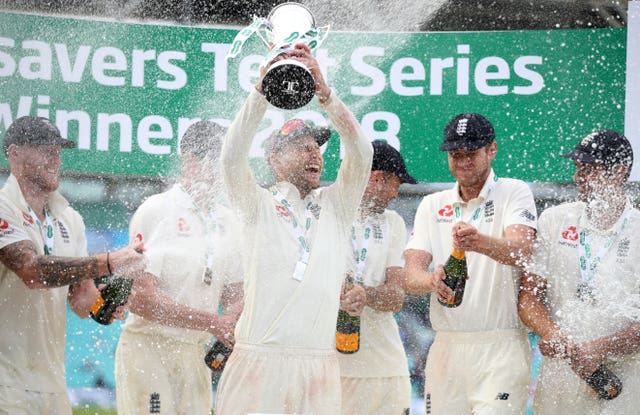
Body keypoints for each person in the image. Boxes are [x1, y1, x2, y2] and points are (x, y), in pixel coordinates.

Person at [214, 43, 373, 415]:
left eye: (317, 147)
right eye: (302, 147)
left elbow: (361, 152)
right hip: (259, 359)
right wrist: (261, 92)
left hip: (319, 363)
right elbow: (231, 156)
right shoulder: (257, 204)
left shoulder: (336, 205)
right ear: (275, 158)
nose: (315, 154)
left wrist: (325, 94)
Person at [0, 116, 145, 414]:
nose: (55, 157)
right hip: (6, 383)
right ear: (14, 153)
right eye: (44, 149)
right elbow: (31, 271)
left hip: (52, 384)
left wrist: (103, 304)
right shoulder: (3, 206)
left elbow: (81, 300)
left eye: (58, 150)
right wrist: (108, 261)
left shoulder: (71, 219)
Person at [403, 113, 538, 414]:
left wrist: (479, 242)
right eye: (455, 155)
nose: (463, 162)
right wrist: (431, 281)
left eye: (471, 153)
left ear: (492, 150)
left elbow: (523, 250)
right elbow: (410, 277)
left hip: (500, 346)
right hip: (446, 347)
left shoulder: (514, 191)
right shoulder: (431, 204)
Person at [114, 121, 244, 415]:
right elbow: (140, 298)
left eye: (226, 162)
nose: (222, 172)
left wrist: (231, 319)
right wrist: (212, 322)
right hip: (149, 348)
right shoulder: (158, 210)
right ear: (189, 161)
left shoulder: (228, 222)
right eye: (215, 160)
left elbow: (237, 293)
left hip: (194, 354)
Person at [518, 130, 640, 414]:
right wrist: (552, 334)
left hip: (625, 376)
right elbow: (528, 299)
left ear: (618, 171)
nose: (577, 177)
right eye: (577, 168)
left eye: (587, 169)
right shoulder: (554, 220)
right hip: (562, 373)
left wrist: (600, 348)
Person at [338, 140, 417, 415]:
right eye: (396, 184)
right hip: (332, 367)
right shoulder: (324, 210)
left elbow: (396, 297)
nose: (396, 195)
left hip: (386, 366)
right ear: (377, 178)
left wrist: (366, 294)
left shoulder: (392, 222)